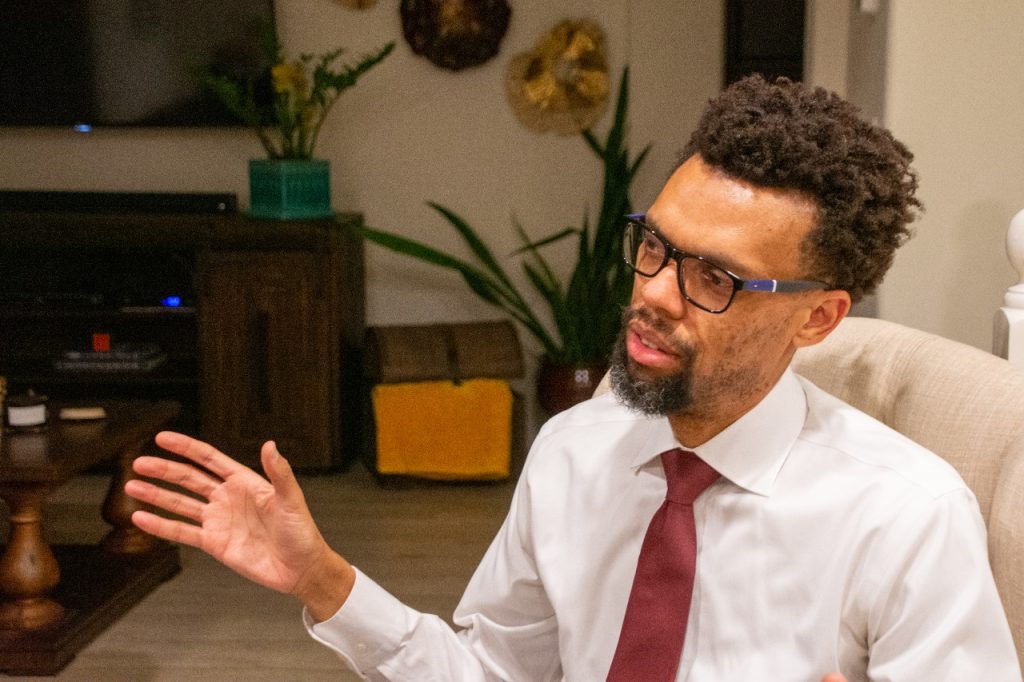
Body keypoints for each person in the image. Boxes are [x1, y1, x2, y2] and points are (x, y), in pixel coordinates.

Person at [125, 75, 1021, 681]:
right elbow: (493, 673)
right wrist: (324, 579)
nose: (654, 296)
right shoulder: (575, 449)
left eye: (714, 277)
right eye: (655, 247)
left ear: (819, 316)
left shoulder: (906, 516)